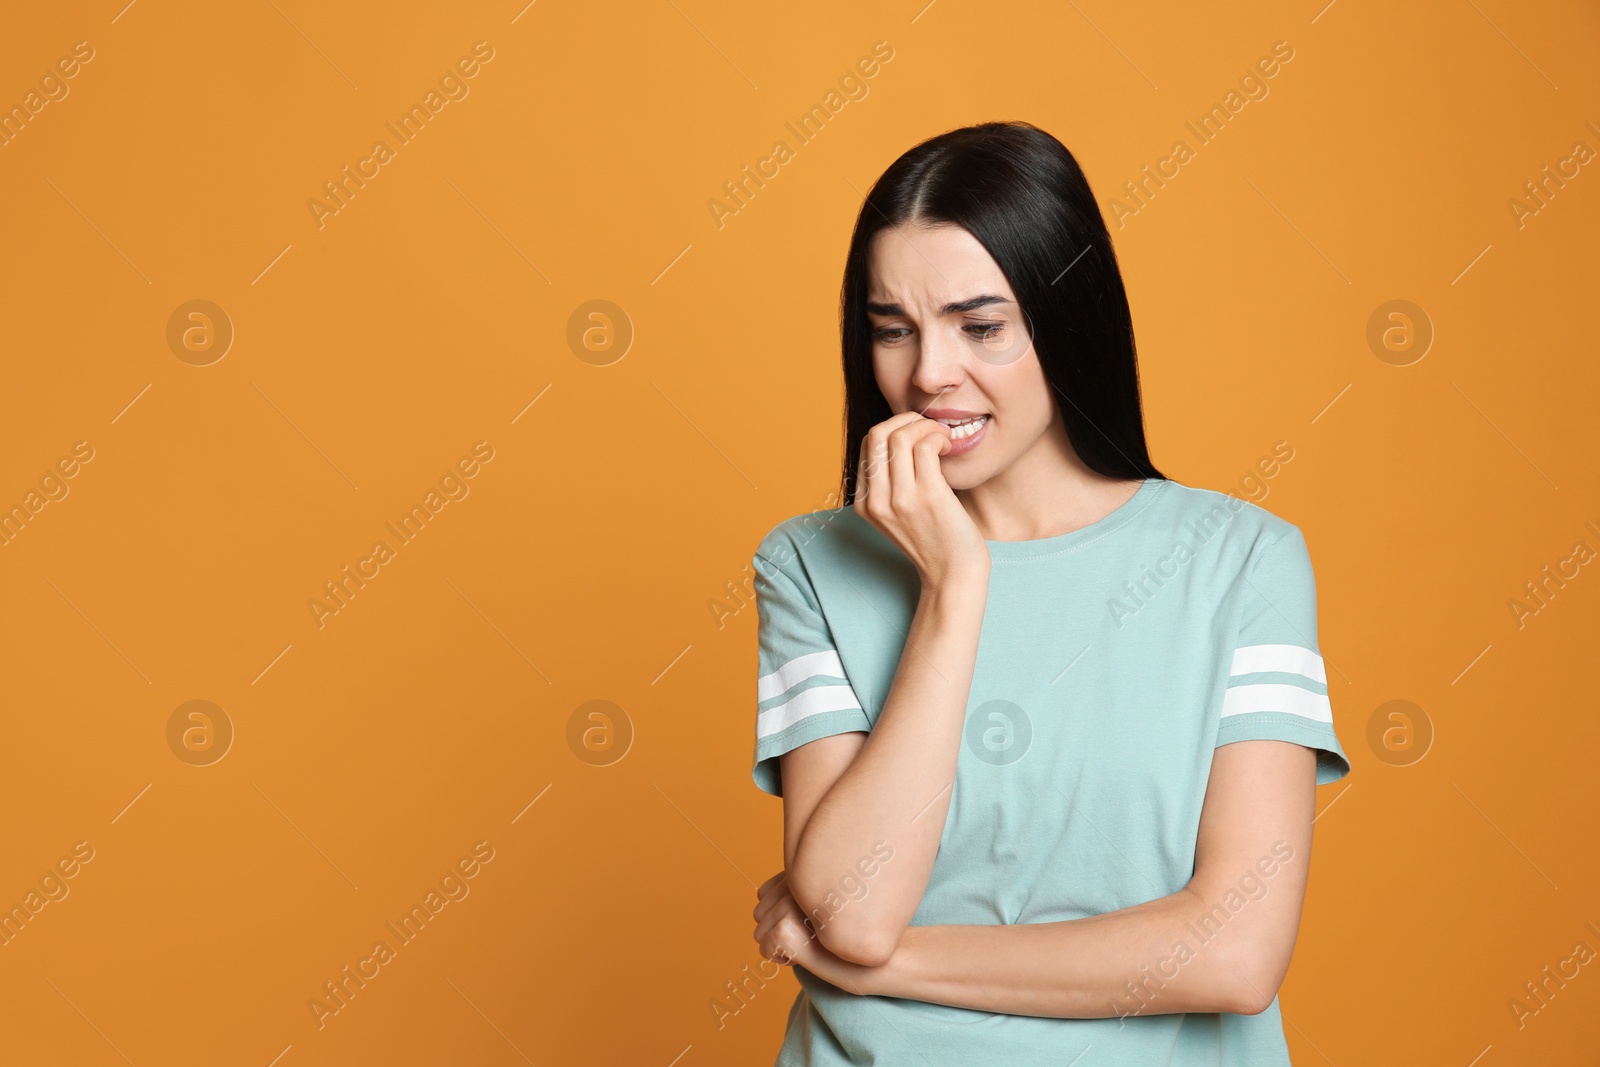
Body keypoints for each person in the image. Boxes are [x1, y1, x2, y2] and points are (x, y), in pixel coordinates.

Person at [747, 120, 1351, 1066]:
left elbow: (1234, 952)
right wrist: (954, 590)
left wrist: (891, 968)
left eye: (981, 326)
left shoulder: (1243, 562)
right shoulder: (810, 567)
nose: (929, 373)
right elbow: (854, 909)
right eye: (892, 329)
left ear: (1066, 318)